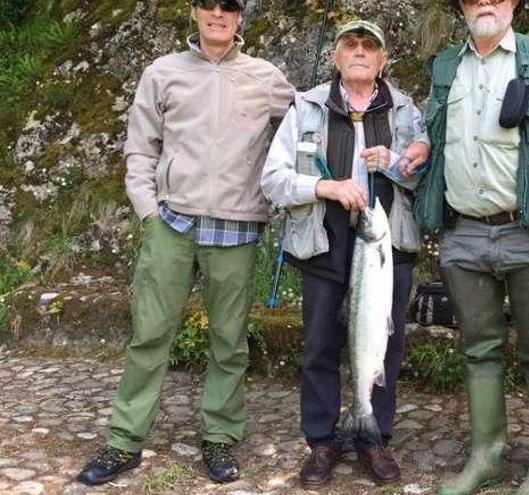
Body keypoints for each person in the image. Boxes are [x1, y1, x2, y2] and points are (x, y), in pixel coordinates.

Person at [75, 0, 295, 485]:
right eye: (208, 4)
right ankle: (124, 441)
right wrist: (148, 212)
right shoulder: (163, 71)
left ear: (241, 18)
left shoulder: (266, 76)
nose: (218, 12)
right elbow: (140, 145)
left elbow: (307, 124)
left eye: (229, 6)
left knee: (229, 342)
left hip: (237, 228)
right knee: (149, 336)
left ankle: (219, 437)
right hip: (171, 224)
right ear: (194, 13)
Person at [402, 1, 529, 494]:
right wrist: (424, 145)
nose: (485, 3)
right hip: (466, 232)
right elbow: (435, 130)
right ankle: (486, 456)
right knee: (477, 350)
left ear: (513, 3)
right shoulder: (446, 65)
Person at [260, 19, 427, 487]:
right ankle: (322, 440)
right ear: (336, 57)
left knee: (385, 342)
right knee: (319, 344)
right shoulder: (306, 108)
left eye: (369, 45)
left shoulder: (405, 111)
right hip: (323, 242)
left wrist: (394, 164)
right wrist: (324, 186)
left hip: (384, 245)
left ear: (382, 60)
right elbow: (273, 180)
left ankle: (373, 437)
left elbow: (426, 174)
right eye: (349, 44)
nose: (359, 51)